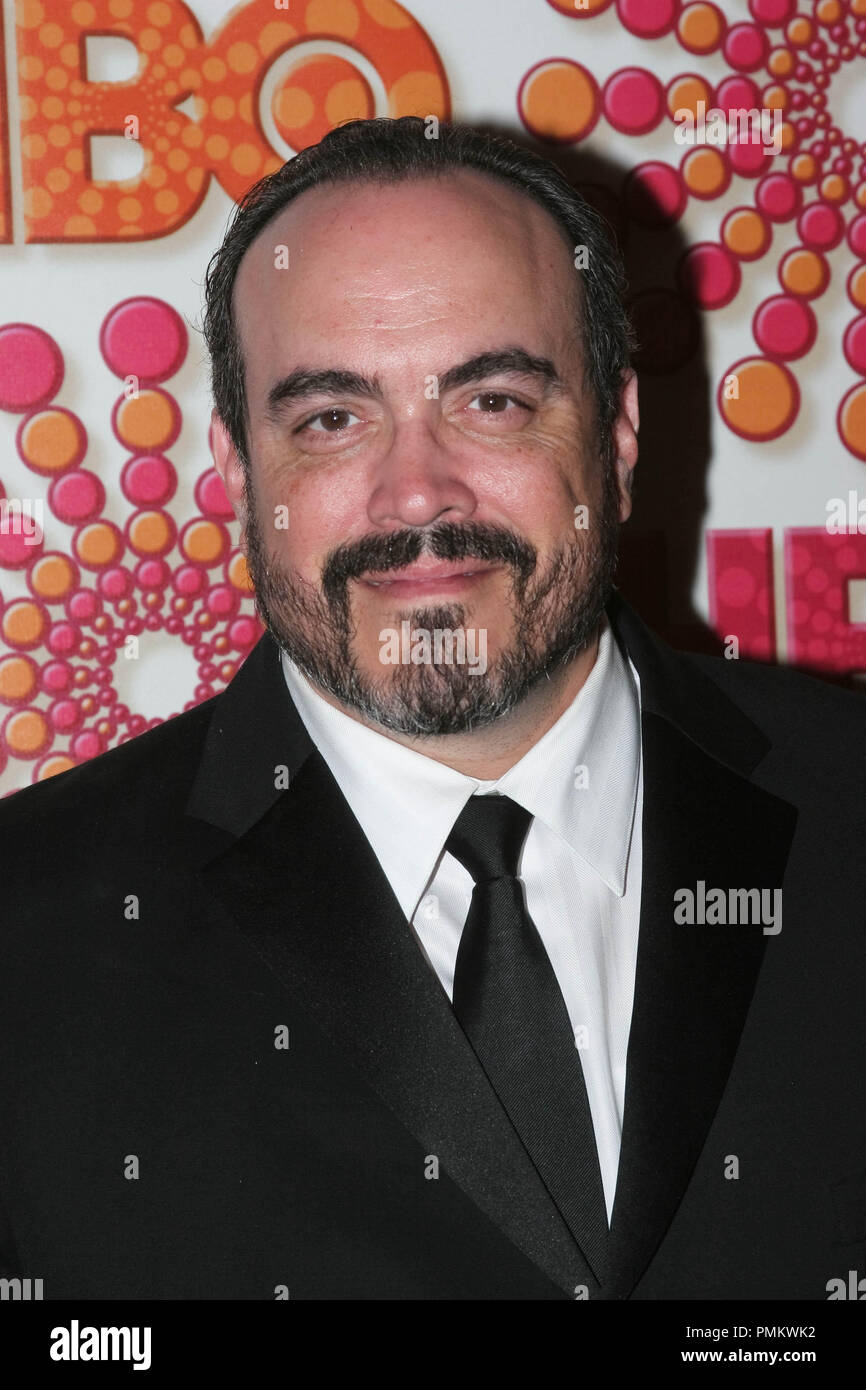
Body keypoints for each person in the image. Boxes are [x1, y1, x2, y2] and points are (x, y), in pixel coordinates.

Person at [0, 117, 863, 1302]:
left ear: (615, 432)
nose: (417, 492)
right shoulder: (26, 934)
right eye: (329, 419)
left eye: (493, 400)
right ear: (237, 474)